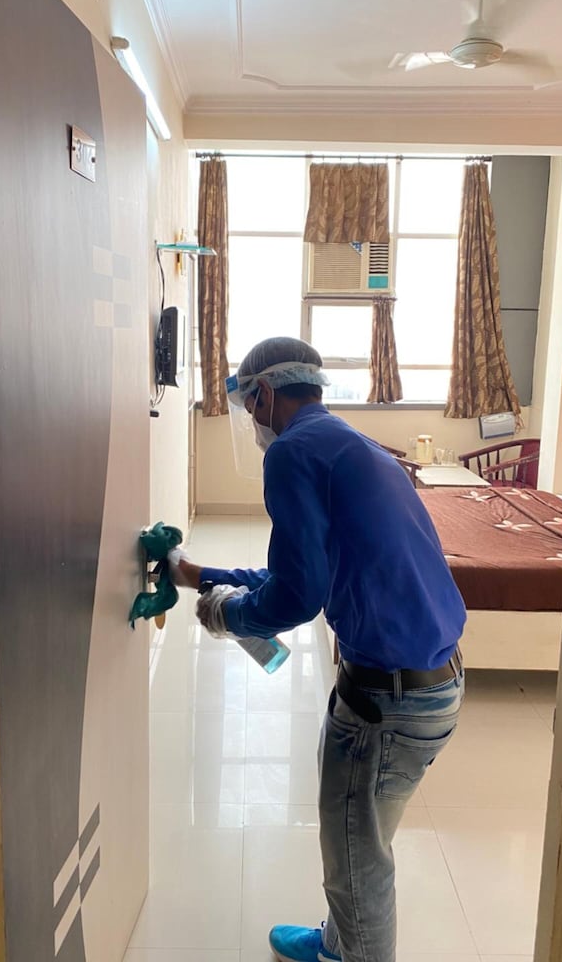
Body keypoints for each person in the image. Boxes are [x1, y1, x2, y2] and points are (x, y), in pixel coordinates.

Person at [171, 336, 466, 962]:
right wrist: (199, 576)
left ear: (264, 393)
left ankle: (352, 953)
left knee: (357, 862)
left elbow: (297, 595)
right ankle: (337, 942)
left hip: (387, 703)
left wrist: (229, 615)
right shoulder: (351, 445)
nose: (253, 422)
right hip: (432, 682)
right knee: (362, 837)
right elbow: (304, 572)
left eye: (249, 406)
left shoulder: (292, 453)